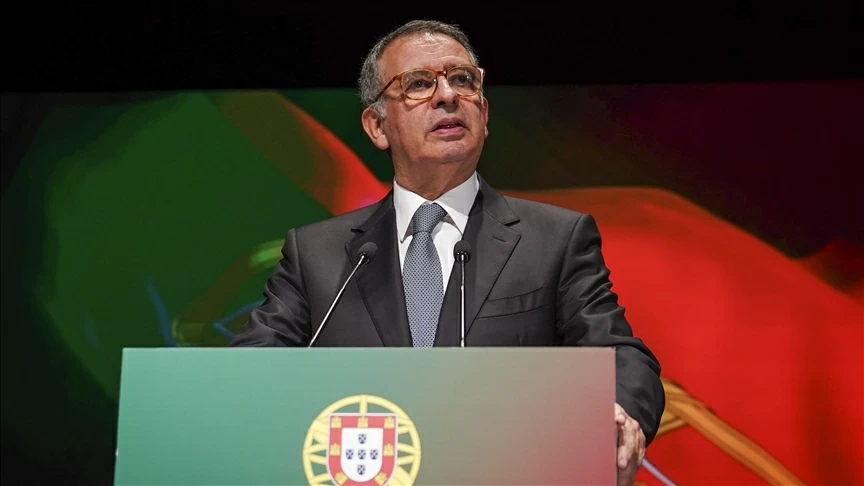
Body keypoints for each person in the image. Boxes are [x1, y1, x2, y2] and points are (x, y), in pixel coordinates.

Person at [230, 19, 664, 485]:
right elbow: (253, 367)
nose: (448, 96)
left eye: (463, 80)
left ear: (485, 112)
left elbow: (621, 355)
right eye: (419, 84)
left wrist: (618, 412)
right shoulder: (319, 251)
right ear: (378, 126)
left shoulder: (555, 238)